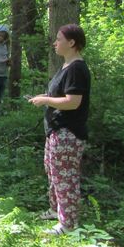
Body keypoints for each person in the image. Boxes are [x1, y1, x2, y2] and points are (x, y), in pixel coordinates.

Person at [29, 24, 91, 235]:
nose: (55, 43)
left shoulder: (76, 69)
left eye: (59, 39)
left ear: (72, 43)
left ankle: (68, 224)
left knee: (65, 177)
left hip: (68, 133)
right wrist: (45, 98)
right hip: (56, 131)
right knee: (53, 173)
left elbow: (73, 102)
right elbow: (61, 96)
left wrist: (46, 100)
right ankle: (56, 211)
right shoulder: (66, 66)